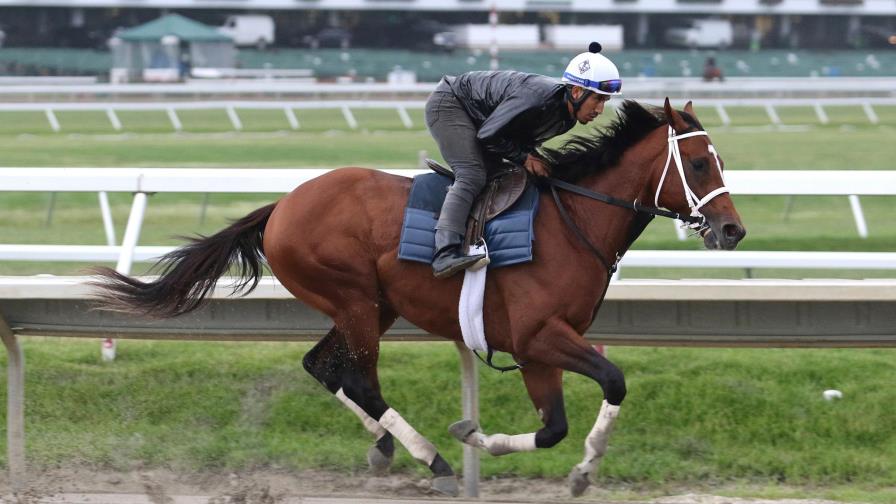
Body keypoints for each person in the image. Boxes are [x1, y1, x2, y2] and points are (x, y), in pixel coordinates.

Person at [424, 41, 622, 278]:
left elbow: (518, 141)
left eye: (605, 101)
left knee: (512, 177)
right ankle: (444, 252)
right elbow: (488, 135)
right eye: (598, 99)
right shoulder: (537, 98)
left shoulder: (566, 119)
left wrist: (531, 159)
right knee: (472, 174)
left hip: (482, 120)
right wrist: (525, 157)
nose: (600, 110)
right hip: (451, 103)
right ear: (577, 92)